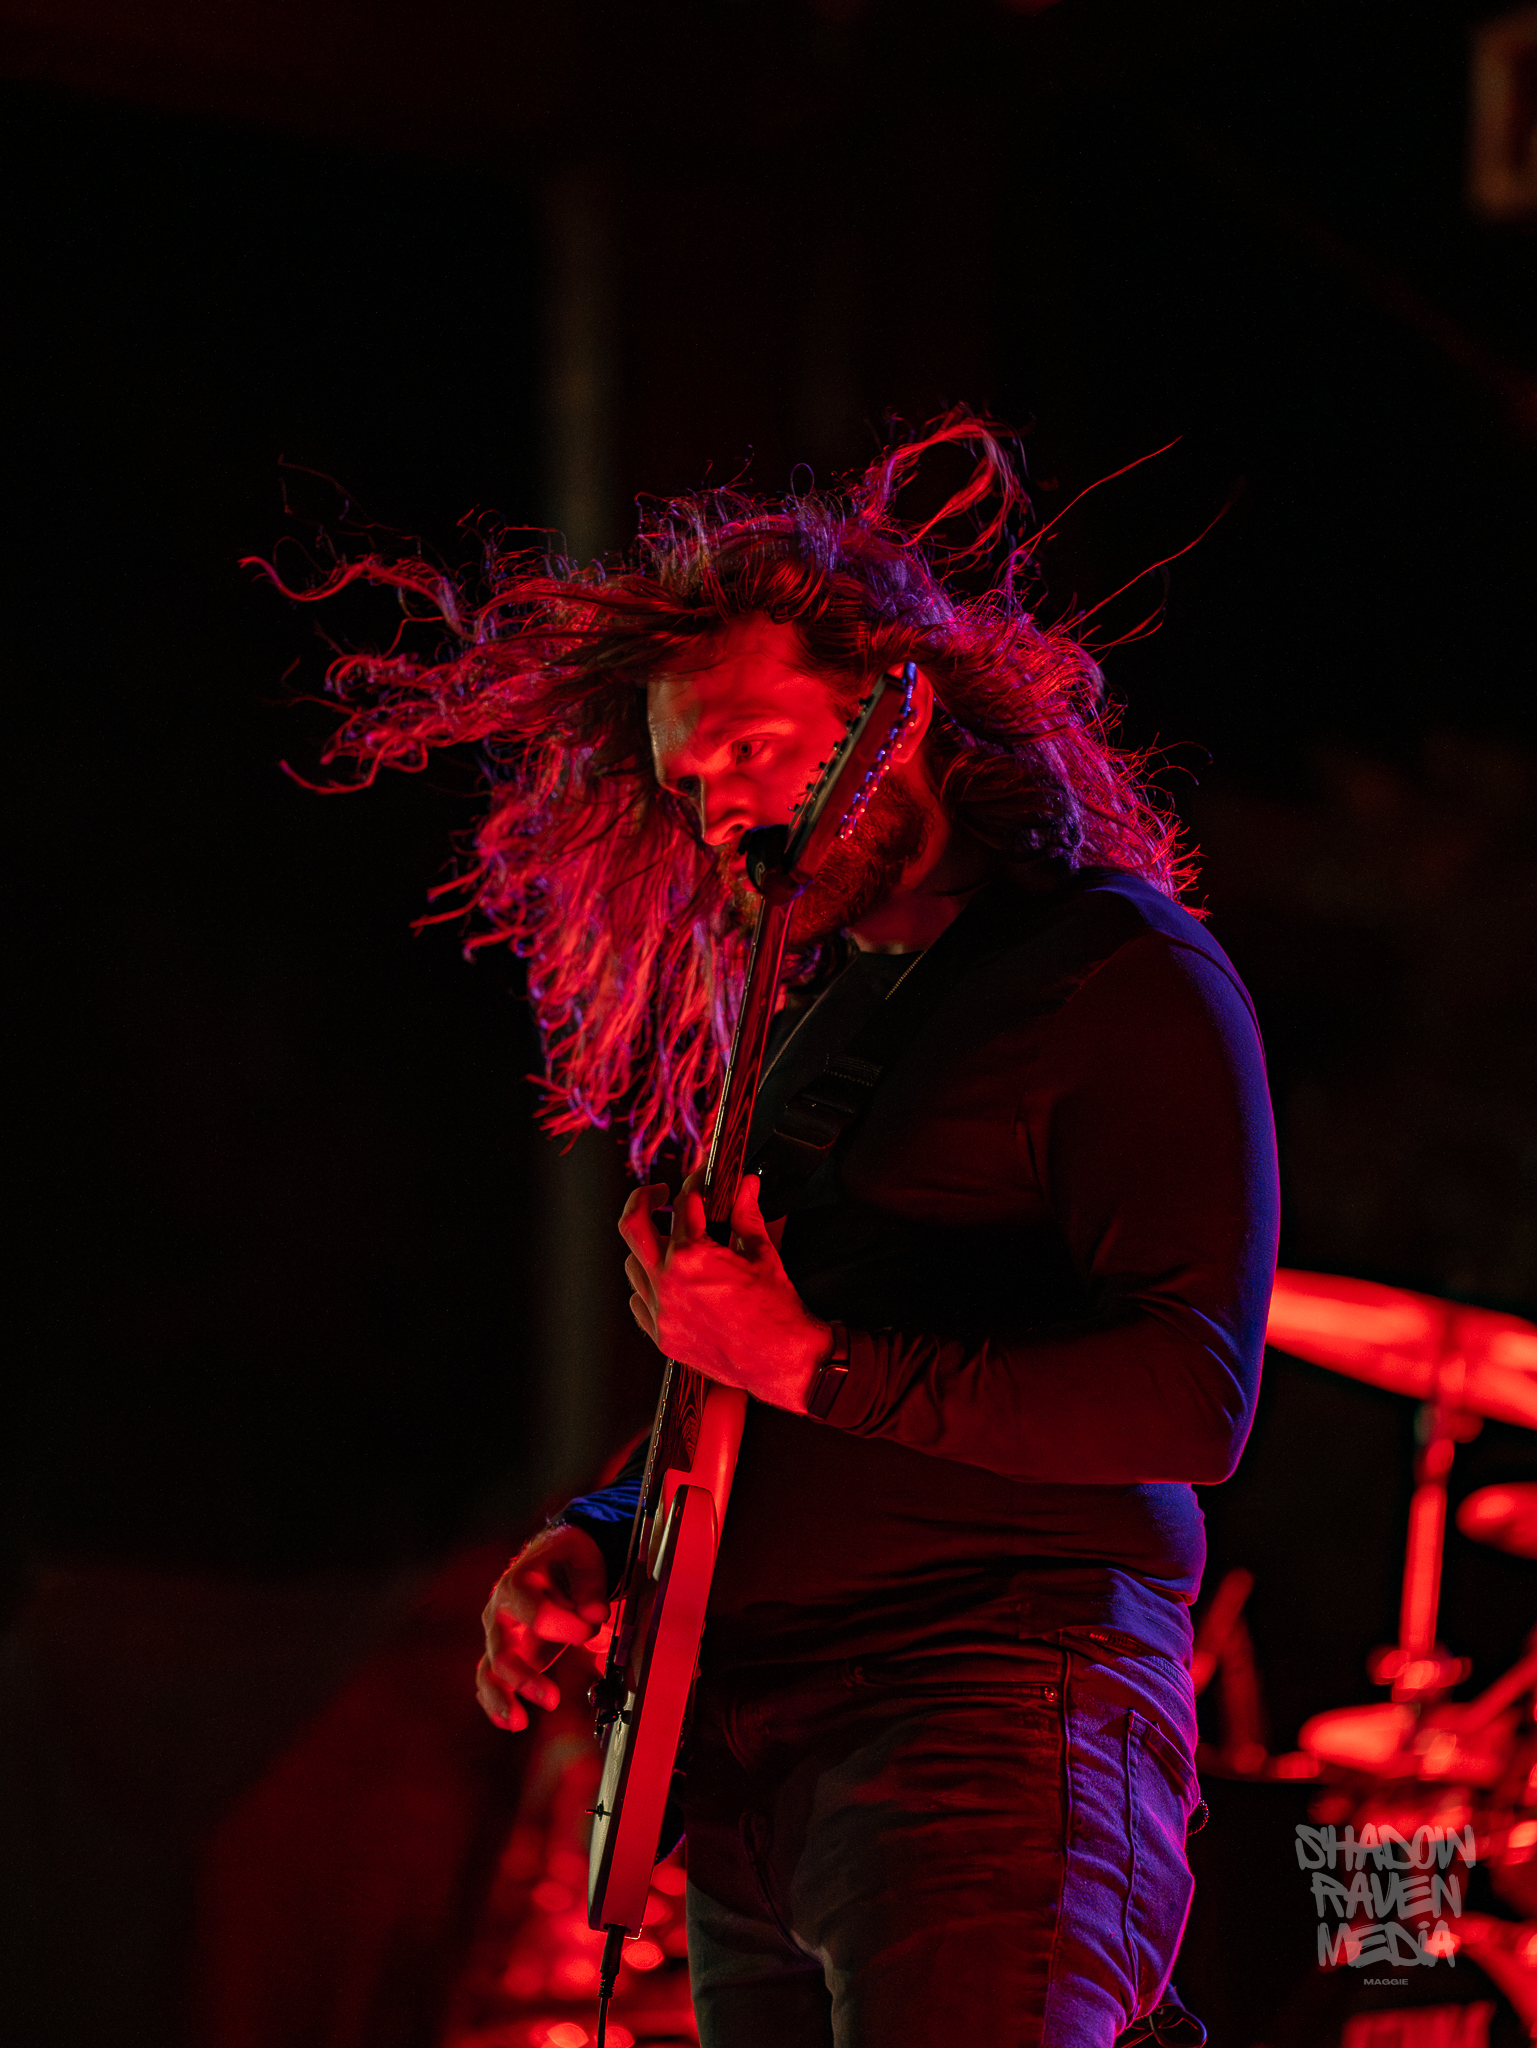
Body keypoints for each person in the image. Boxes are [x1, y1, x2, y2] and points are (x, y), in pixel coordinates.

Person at [287, 416, 1279, 2046]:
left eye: (751, 746)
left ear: (903, 719)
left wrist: (812, 1361)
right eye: (685, 780)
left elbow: (1189, 1401)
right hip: (752, 1755)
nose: (717, 804)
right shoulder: (814, 1023)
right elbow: (744, 1386)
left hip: (982, 1712)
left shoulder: (1117, 978)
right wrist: (597, 1535)